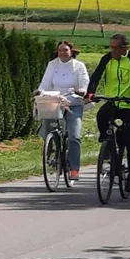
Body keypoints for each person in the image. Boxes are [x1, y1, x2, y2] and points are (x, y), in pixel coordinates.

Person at [86, 33, 130, 191]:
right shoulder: (107, 58)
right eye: (111, 47)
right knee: (101, 116)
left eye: (116, 48)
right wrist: (90, 93)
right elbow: (96, 76)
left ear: (125, 48)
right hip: (113, 101)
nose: (112, 51)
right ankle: (107, 144)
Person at [35, 40, 90, 181]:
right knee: (46, 127)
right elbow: (45, 82)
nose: (63, 53)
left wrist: (82, 91)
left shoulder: (79, 66)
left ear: (71, 51)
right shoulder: (52, 65)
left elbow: (85, 83)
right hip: (55, 101)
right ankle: (52, 150)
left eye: (65, 50)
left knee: (74, 135)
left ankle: (74, 168)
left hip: (74, 103)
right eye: (60, 50)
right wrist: (40, 92)